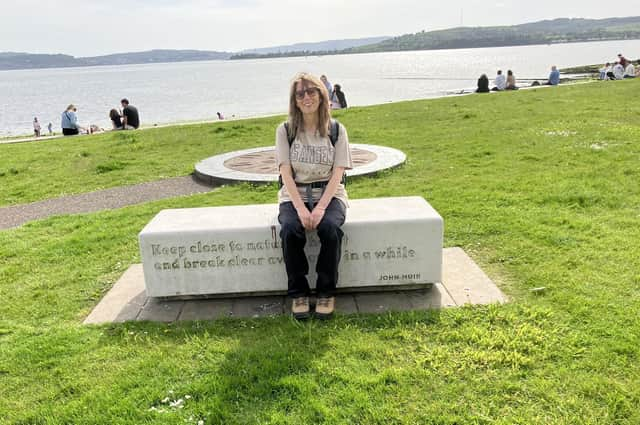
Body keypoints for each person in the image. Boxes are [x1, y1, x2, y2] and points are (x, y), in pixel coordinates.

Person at [276, 72, 353, 320]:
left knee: (330, 228)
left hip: (329, 194)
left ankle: (325, 291)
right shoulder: (285, 130)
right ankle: (298, 292)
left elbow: (338, 173)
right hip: (294, 194)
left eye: (312, 91)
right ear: (295, 100)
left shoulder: (336, 130)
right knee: (289, 230)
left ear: (321, 95)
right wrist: (300, 208)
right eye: (300, 93)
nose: (306, 97)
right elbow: (285, 172)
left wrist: (319, 208)